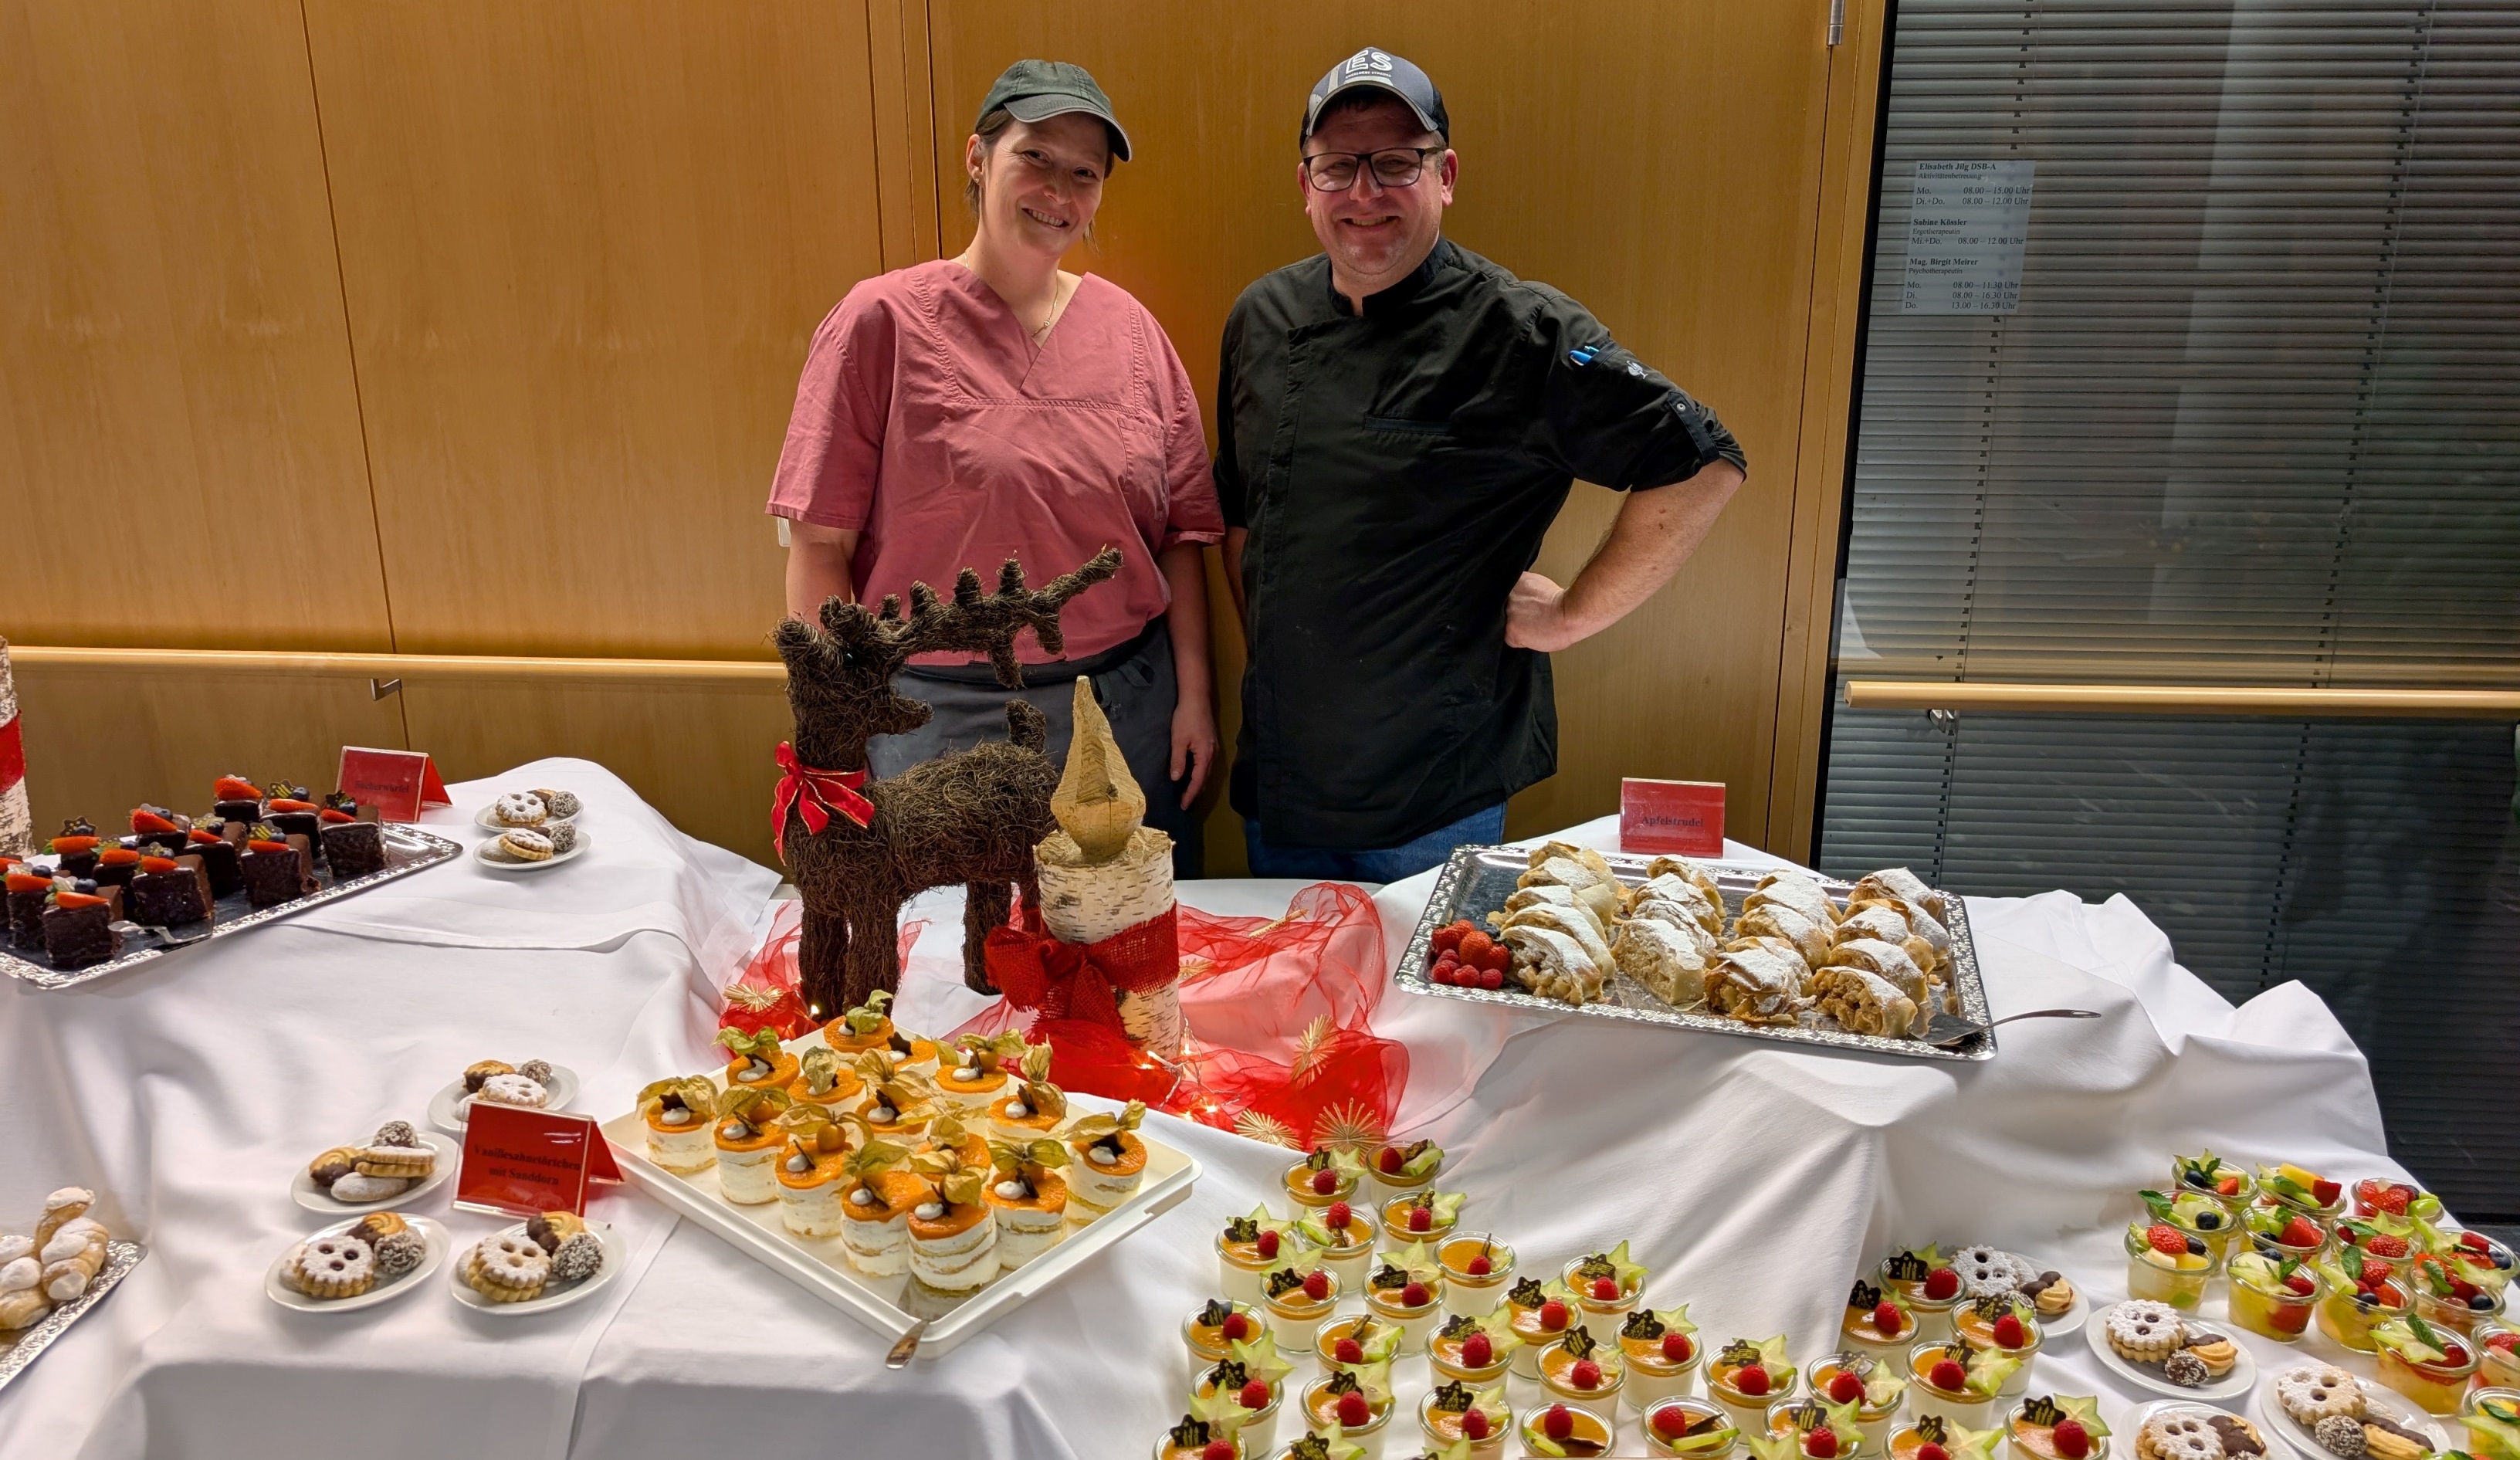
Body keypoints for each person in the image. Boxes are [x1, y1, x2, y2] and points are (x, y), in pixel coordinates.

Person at [1214, 47, 1749, 883]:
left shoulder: (1519, 331)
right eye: (1337, 166)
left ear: (1447, 175)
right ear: (1306, 184)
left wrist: (1570, 615)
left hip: (1435, 793)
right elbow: (1241, 511)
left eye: (1397, 162)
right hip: (1284, 784)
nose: (1364, 192)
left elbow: (1702, 461)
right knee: (1293, 973)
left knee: (1433, 975)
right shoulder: (1261, 317)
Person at [769, 61, 1223, 874]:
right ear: (978, 158)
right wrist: (839, 727)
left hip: (1123, 713)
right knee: (961, 941)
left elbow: (1179, 538)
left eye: (1084, 173)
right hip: (937, 722)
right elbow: (819, 547)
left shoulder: (1131, 332)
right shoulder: (880, 323)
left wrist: (1195, 697)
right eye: (1036, 156)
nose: (1059, 189)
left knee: (1125, 934)